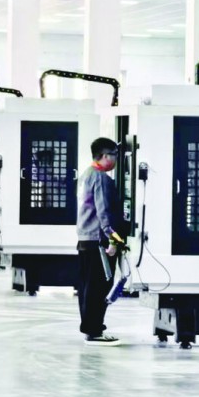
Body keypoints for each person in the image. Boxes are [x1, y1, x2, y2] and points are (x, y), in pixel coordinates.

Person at [76, 137, 124, 346]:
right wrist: (113, 238)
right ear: (104, 156)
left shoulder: (86, 175)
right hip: (98, 240)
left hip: (85, 238)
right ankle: (94, 330)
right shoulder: (101, 178)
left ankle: (91, 328)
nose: (116, 160)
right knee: (99, 286)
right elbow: (104, 210)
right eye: (114, 155)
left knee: (88, 287)